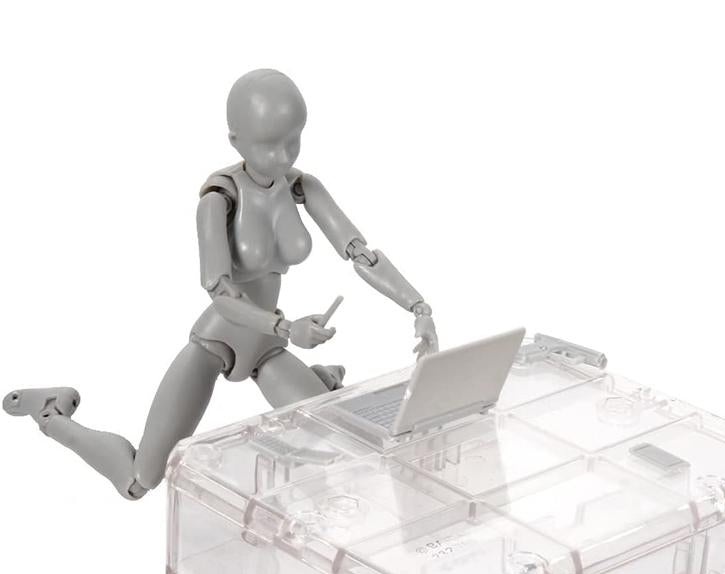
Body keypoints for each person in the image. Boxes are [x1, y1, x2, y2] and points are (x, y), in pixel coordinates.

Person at [3, 69, 438, 499]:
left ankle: (321, 384)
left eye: (293, 140)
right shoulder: (219, 199)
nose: (284, 156)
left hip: (267, 348)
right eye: (269, 144)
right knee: (139, 480)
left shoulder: (302, 187)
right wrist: (288, 328)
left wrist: (418, 308)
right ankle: (52, 414)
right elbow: (222, 294)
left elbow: (361, 253)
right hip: (219, 341)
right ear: (236, 140)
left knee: (343, 438)